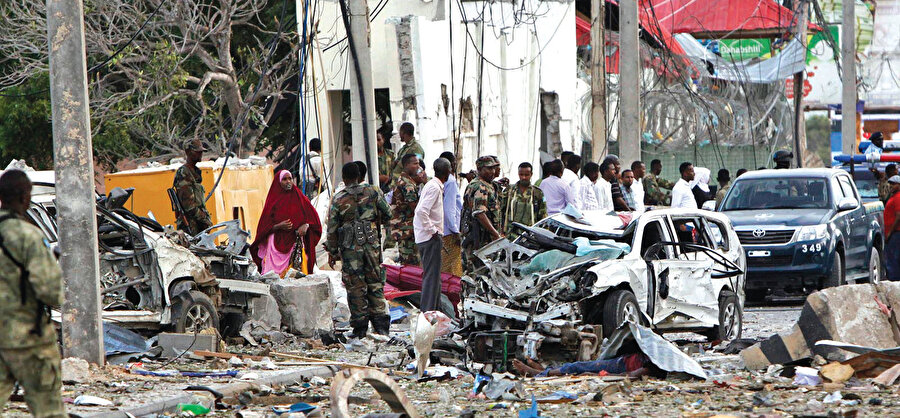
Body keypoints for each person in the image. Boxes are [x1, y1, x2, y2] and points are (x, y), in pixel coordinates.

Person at [0, 170, 66, 416]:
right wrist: (53, 262)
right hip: (27, 338)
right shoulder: (29, 236)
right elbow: (51, 293)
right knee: (47, 406)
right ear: (24, 197)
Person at [326, 163, 393, 337]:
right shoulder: (373, 191)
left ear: (344, 177)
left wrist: (333, 252)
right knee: (375, 282)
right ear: (359, 176)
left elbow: (332, 229)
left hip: (350, 250)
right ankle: (381, 326)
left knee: (355, 286)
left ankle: (360, 327)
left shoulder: (339, 198)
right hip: (372, 246)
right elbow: (388, 214)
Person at [250, 170, 322, 276]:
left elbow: (314, 221)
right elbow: (263, 226)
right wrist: (278, 226)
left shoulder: (300, 198)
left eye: (290, 179)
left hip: (295, 244)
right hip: (275, 246)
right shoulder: (273, 200)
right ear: (279, 182)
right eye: (284, 179)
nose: (288, 181)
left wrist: (306, 225)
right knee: (272, 276)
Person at [415, 158, 451, 312]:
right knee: (431, 278)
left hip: (427, 237)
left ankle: (435, 312)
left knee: (435, 279)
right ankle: (428, 313)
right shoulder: (434, 187)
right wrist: (433, 231)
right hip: (430, 238)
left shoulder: (432, 185)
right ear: (447, 172)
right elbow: (421, 211)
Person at [461, 156, 504, 275]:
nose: (492, 172)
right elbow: (480, 213)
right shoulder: (481, 187)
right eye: (488, 169)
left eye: (493, 168)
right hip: (480, 240)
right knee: (479, 274)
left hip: (480, 239)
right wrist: (495, 234)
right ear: (479, 169)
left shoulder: (483, 184)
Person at [173, 139, 213, 235]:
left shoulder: (195, 172)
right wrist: (204, 219)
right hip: (190, 226)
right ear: (188, 152)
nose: (200, 155)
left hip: (198, 225)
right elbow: (189, 205)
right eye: (197, 152)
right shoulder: (184, 173)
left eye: (201, 152)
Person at [390, 154, 422, 265]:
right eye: (415, 164)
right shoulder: (407, 184)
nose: (418, 167)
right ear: (407, 165)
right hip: (407, 231)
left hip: (406, 230)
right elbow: (415, 207)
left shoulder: (406, 180)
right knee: (411, 265)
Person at [503, 162, 548, 239]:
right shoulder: (509, 190)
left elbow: (543, 216)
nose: (523, 177)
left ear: (531, 174)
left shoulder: (537, 193)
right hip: (510, 234)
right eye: (521, 174)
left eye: (526, 175)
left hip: (529, 235)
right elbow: (501, 211)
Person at [439, 152, 464, 277]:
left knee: (444, 266)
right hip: (449, 231)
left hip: (441, 229)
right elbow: (449, 209)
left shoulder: (437, 181)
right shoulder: (450, 181)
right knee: (452, 269)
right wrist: (455, 231)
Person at [884, 175, 900, 281]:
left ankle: (894, 281)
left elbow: (899, 215)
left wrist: (890, 232)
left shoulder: (898, 197)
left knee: (893, 258)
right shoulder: (893, 197)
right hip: (893, 233)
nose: (891, 186)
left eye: (894, 184)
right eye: (891, 184)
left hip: (896, 233)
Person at [377, 127, 395, 193]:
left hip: (389, 187)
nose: (377, 143)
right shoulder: (371, 157)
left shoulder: (390, 154)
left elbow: (396, 170)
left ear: (383, 140)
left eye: (379, 140)